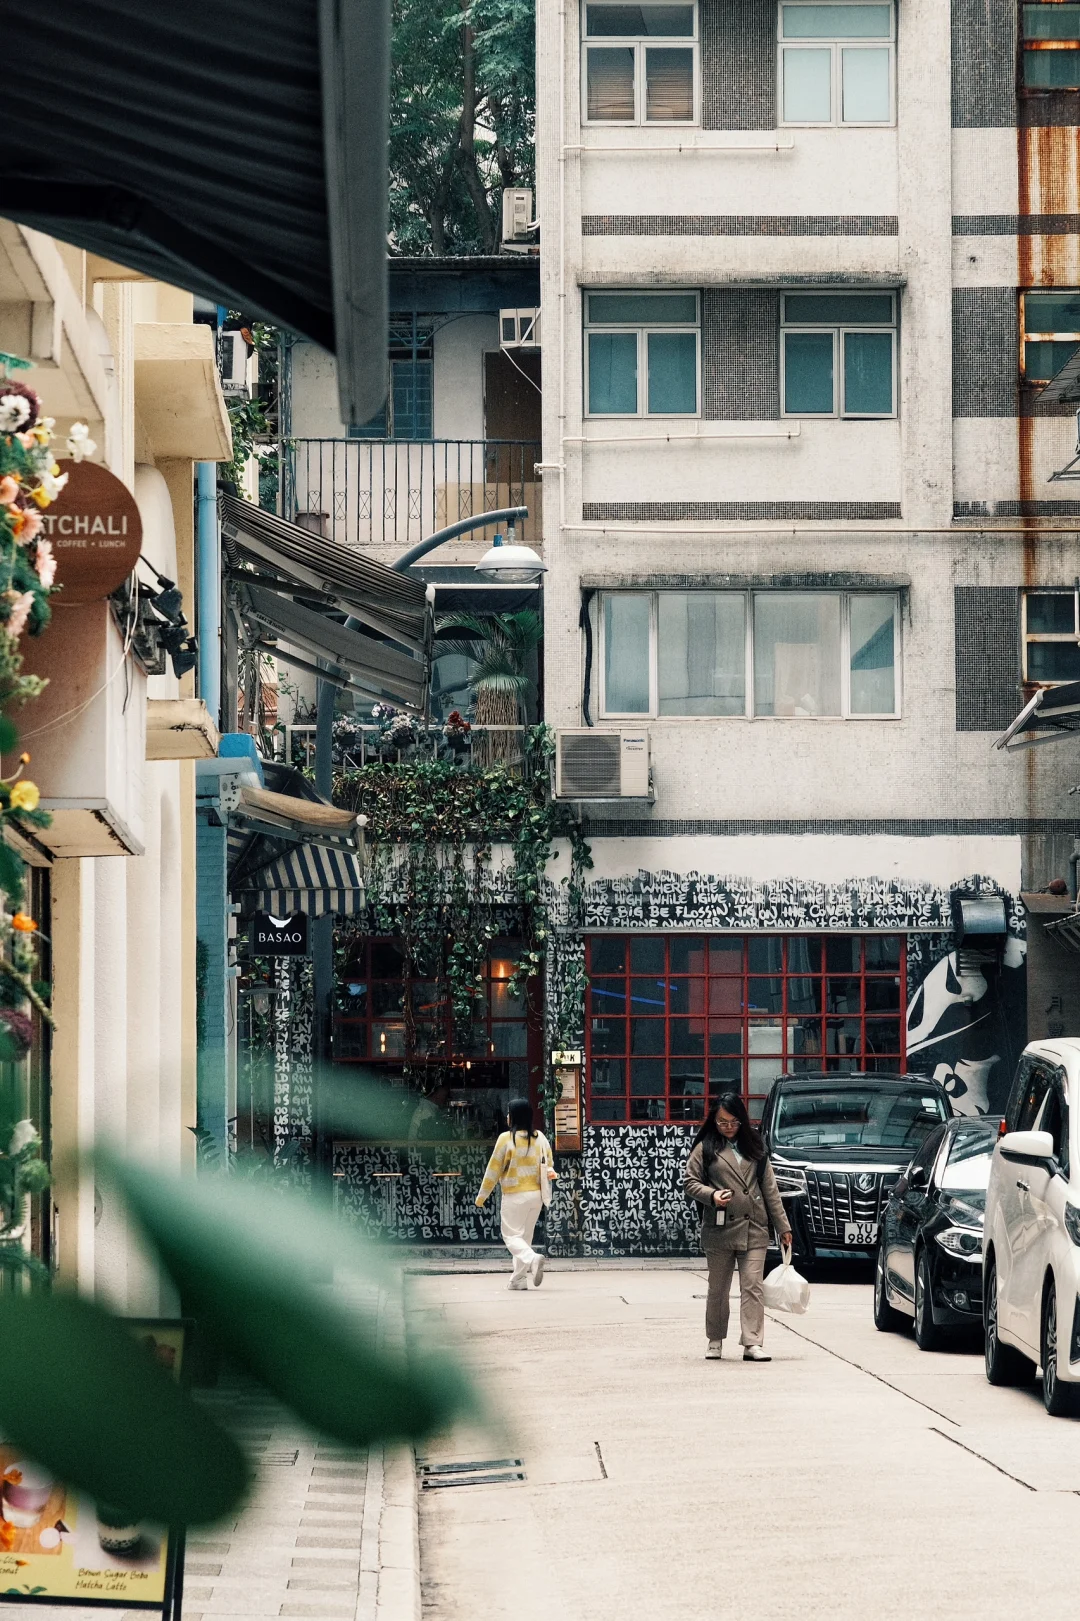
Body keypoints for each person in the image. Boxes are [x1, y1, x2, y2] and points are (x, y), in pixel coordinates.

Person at [683, 1092, 792, 1362]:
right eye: (722, 1122)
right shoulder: (706, 1147)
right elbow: (689, 1182)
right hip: (719, 1226)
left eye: (733, 1122)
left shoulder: (756, 1146)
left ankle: (752, 1342)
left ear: (742, 1120)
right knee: (717, 1289)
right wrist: (711, 1195)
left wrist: (783, 1227)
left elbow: (770, 1190)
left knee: (753, 1286)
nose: (728, 1128)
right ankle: (715, 1339)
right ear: (714, 1121)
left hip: (754, 1225)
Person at [475, 1099, 557, 1290]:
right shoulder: (540, 1138)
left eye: (509, 1113)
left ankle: (532, 1258)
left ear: (514, 1116)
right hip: (536, 1196)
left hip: (514, 1196)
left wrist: (482, 1197)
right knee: (524, 1238)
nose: (507, 1116)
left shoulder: (506, 1138)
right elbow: (550, 1164)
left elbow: (493, 1170)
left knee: (511, 1236)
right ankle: (518, 1280)